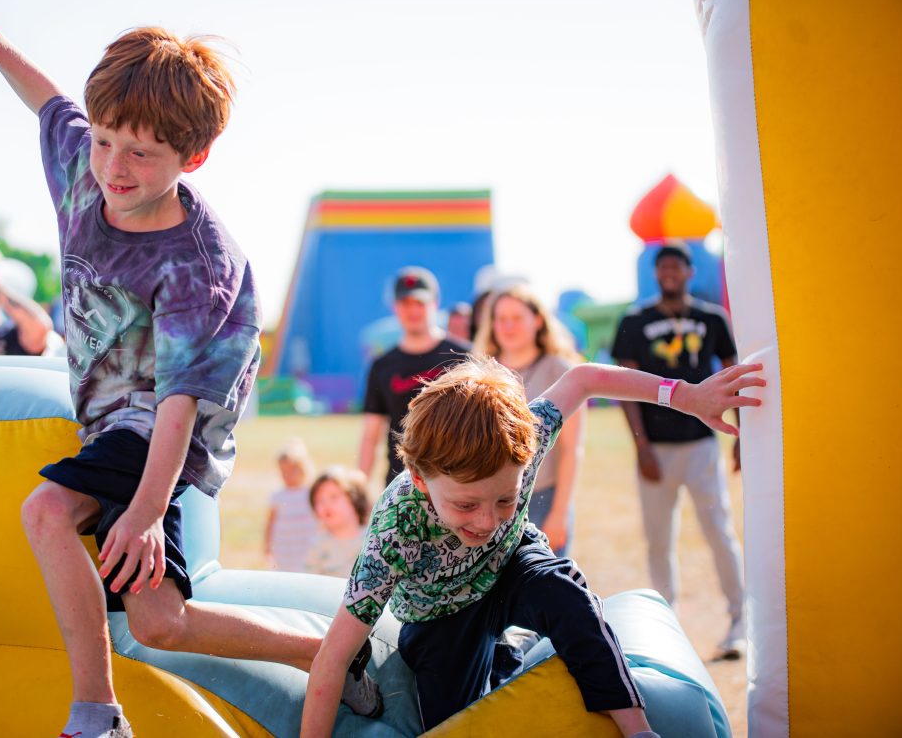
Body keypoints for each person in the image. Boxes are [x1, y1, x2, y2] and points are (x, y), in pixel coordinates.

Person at [0, 0, 379, 736]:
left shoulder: (196, 262)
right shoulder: (84, 162)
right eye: (106, 141)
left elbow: (179, 401)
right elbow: (48, 102)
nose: (115, 166)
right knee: (160, 623)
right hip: (109, 417)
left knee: (46, 513)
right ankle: (323, 651)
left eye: (142, 153)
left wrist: (143, 511)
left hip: (163, 421)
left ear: (191, 156)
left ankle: (97, 714)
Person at [301, 355, 764, 736]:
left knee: (564, 592)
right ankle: (506, 652)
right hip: (441, 614)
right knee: (453, 722)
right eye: (465, 505)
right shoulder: (393, 532)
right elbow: (333, 657)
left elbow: (584, 379)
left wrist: (683, 395)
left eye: (505, 497)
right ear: (422, 481)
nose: (484, 519)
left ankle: (639, 729)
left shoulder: (527, 433)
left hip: (511, 562)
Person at [610, 241, 747, 659]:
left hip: (701, 443)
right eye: (662, 265)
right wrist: (641, 446)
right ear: (656, 273)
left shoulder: (711, 317)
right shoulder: (636, 319)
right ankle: (664, 629)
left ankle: (741, 620)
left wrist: (741, 435)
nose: (669, 272)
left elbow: (733, 374)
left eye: (677, 265)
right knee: (658, 538)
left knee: (719, 531)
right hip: (656, 445)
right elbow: (625, 390)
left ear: (690, 272)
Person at [473, 284, 583, 557]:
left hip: (543, 497)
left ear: (537, 320)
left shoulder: (561, 370)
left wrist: (559, 513)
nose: (508, 326)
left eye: (517, 318)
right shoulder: (480, 371)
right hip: (491, 500)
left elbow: (571, 450)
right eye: (501, 319)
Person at [358, 266, 469, 485]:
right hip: (402, 486)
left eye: (419, 303)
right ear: (394, 307)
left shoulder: (464, 358)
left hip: (457, 483)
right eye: (405, 303)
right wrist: (359, 489)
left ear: (435, 304)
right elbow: (370, 436)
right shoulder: (382, 366)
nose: (413, 311)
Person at [264, 438, 318, 572]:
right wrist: (267, 546)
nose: (287, 475)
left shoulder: (311, 493)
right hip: (285, 547)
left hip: (306, 546)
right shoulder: (277, 497)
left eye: (292, 471)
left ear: (303, 468)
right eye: (283, 471)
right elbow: (270, 522)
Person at [305, 467, 370, 577]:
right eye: (319, 500)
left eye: (333, 497)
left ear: (354, 498)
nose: (326, 505)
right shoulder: (318, 546)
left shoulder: (372, 541)